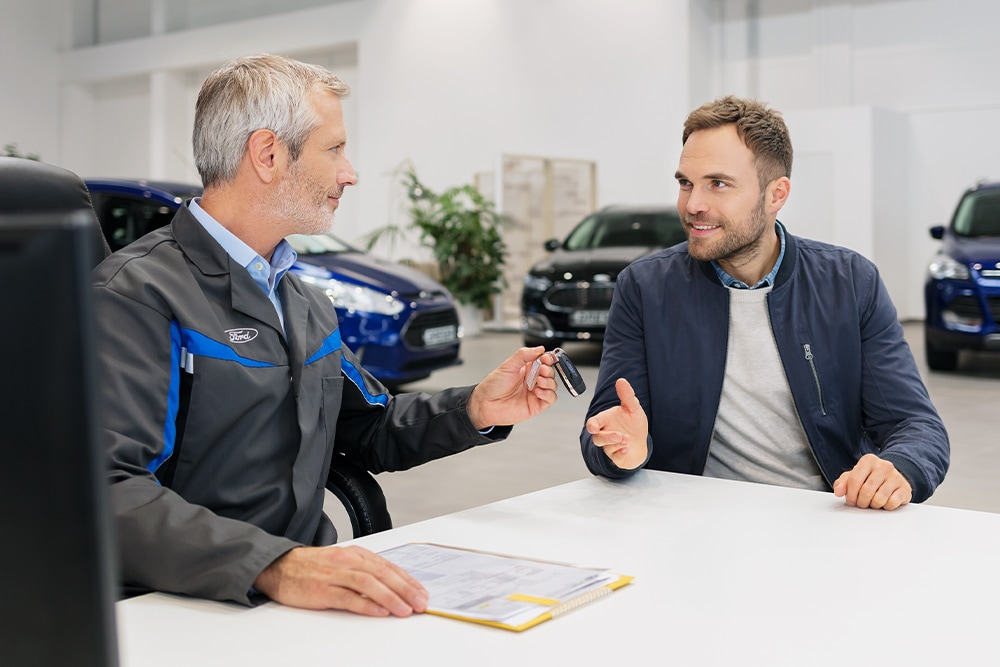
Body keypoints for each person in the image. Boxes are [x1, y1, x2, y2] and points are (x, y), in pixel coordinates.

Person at [94, 53, 560, 616]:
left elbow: (369, 427)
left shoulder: (302, 300)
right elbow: (108, 491)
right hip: (188, 605)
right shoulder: (136, 295)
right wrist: (274, 565)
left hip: (298, 594)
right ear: (267, 155)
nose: (350, 172)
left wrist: (476, 409)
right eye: (334, 149)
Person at [582, 95, 949, 511]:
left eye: (717, 184)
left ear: (776, 195)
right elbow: (608, 423)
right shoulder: (645, 288)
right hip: (688, 519)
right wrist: (617, 449)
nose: (692, 205)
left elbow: (915, 425)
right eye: (686, 182)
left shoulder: (850, 282)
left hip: (823, 516)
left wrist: (899, 467)